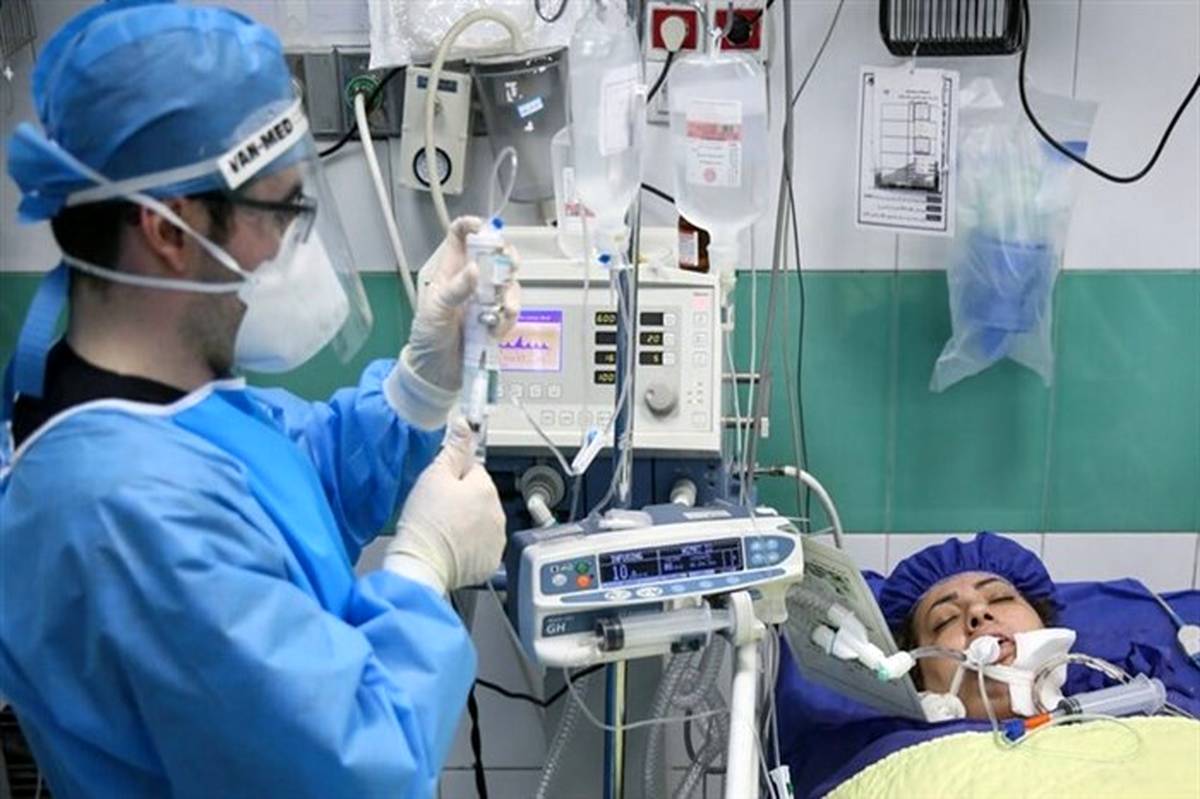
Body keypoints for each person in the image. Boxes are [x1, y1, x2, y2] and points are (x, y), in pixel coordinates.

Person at [0, 2, 519, 797]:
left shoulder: (169, 411)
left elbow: (289, 484)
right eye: (279, 209)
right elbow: (356, 769)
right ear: (169, 230)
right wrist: (421, 569)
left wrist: (420, 385)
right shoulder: (122, 510)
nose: (291, 243)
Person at [879, 533, 1061, 720]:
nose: (977, 611)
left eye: (1001, 598)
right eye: (946, 620)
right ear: (918, 682)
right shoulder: (893, 739)